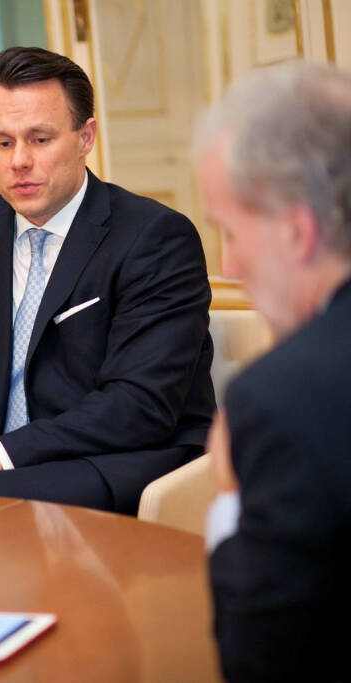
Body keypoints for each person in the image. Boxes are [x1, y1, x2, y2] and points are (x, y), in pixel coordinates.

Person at [0, 47, 215, 515]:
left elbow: (138, 405)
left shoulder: (155, 237)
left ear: (85, 137)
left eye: (40, 139)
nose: (19, 161)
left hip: (119, 460)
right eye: (2, 143)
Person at [196, 63, 351, 682]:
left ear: (298, 231)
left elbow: (260, 659)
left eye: (231, 232)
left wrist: (231, 500)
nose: (229, 265)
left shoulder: (283, 398)